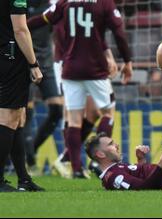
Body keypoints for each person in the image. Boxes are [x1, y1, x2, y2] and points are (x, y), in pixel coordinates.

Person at [27, 0, 133, 178]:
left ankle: (76, 169)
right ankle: (99, 163)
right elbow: (119, 33)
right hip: (96, 69)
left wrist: (17, 28)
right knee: (108, 112)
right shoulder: (104, 3)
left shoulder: (65, 2)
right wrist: (127, 60)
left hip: (69, 68)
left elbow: (42, 20)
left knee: (74, 120)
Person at [0, 0, 44, 192]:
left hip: (3, 54)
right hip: (10, 56)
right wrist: (33, 64)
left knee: (18, 118)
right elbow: (20, 29)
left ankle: (23, 179)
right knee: (8, 117)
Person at [23, 0, 64, 175]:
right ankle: (30, 162)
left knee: (57, 110)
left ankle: (30, 150)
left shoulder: (50, 6)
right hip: (25, 63)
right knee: (26, 112)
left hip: (46, 65)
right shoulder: (19, 5)